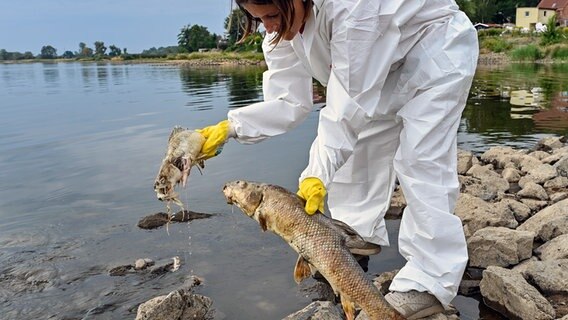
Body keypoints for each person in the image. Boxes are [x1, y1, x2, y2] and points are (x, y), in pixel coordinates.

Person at [197, 0, 478, 318]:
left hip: (433, 53)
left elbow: (346, 107)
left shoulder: (354, 8)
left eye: (273, 16)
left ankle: (429, 282)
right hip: (377, 70)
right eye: (257, 19)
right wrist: (230, 127)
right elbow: (289, 101)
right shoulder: (282, 27)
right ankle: (349, 243)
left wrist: (315, 174)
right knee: (356, 153)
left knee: (421, 161)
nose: (269, 27)